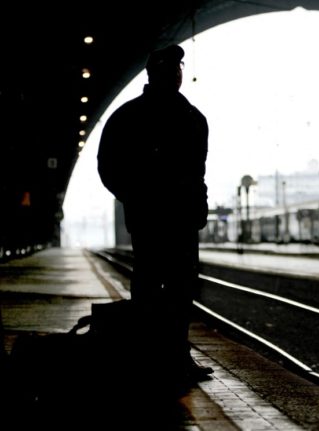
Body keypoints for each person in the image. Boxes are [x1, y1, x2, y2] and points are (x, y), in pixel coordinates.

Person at [97, 44, 212, 389]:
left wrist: (196, 202)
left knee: (170, 287)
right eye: (169, 69)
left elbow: (198, 171)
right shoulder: (182, 118)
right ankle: (165, 355)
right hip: (157, 217)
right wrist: (135, 195)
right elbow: (108, 167)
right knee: (163, 286)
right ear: (154, 74)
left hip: (172, 218)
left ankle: (170, 354)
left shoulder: (188, 118)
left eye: (178, 69)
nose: (175, 74)